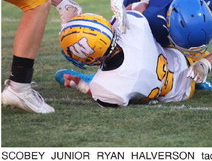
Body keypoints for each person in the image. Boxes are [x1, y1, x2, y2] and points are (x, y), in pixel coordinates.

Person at [55, 12, 195, 107]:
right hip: (183, 61)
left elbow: (104, 99)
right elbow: (138, 8)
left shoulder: (104, 87)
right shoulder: (132, 25)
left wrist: (81, 85)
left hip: (178, 94)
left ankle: (86, 78)